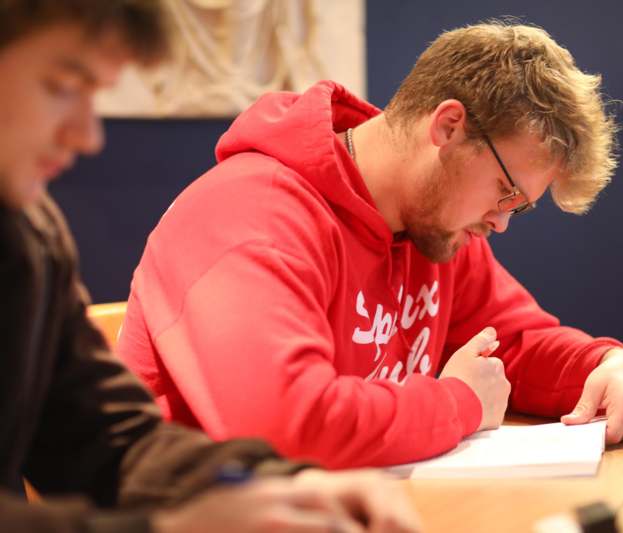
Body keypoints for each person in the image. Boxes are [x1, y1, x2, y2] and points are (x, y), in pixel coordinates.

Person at [118, 21, 623, 469]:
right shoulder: (247, 215)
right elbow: (284, 425)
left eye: (520, 206)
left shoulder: (434, 229)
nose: (502, 222)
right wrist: (458, 403)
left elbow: (510, 346)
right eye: (505, 191)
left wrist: (601, 364)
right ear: (448, 126)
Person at [0, 1, 422, 532]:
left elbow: (110, 439)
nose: (87, 136)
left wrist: (284, 484)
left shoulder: (28, 233)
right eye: (63, 85)